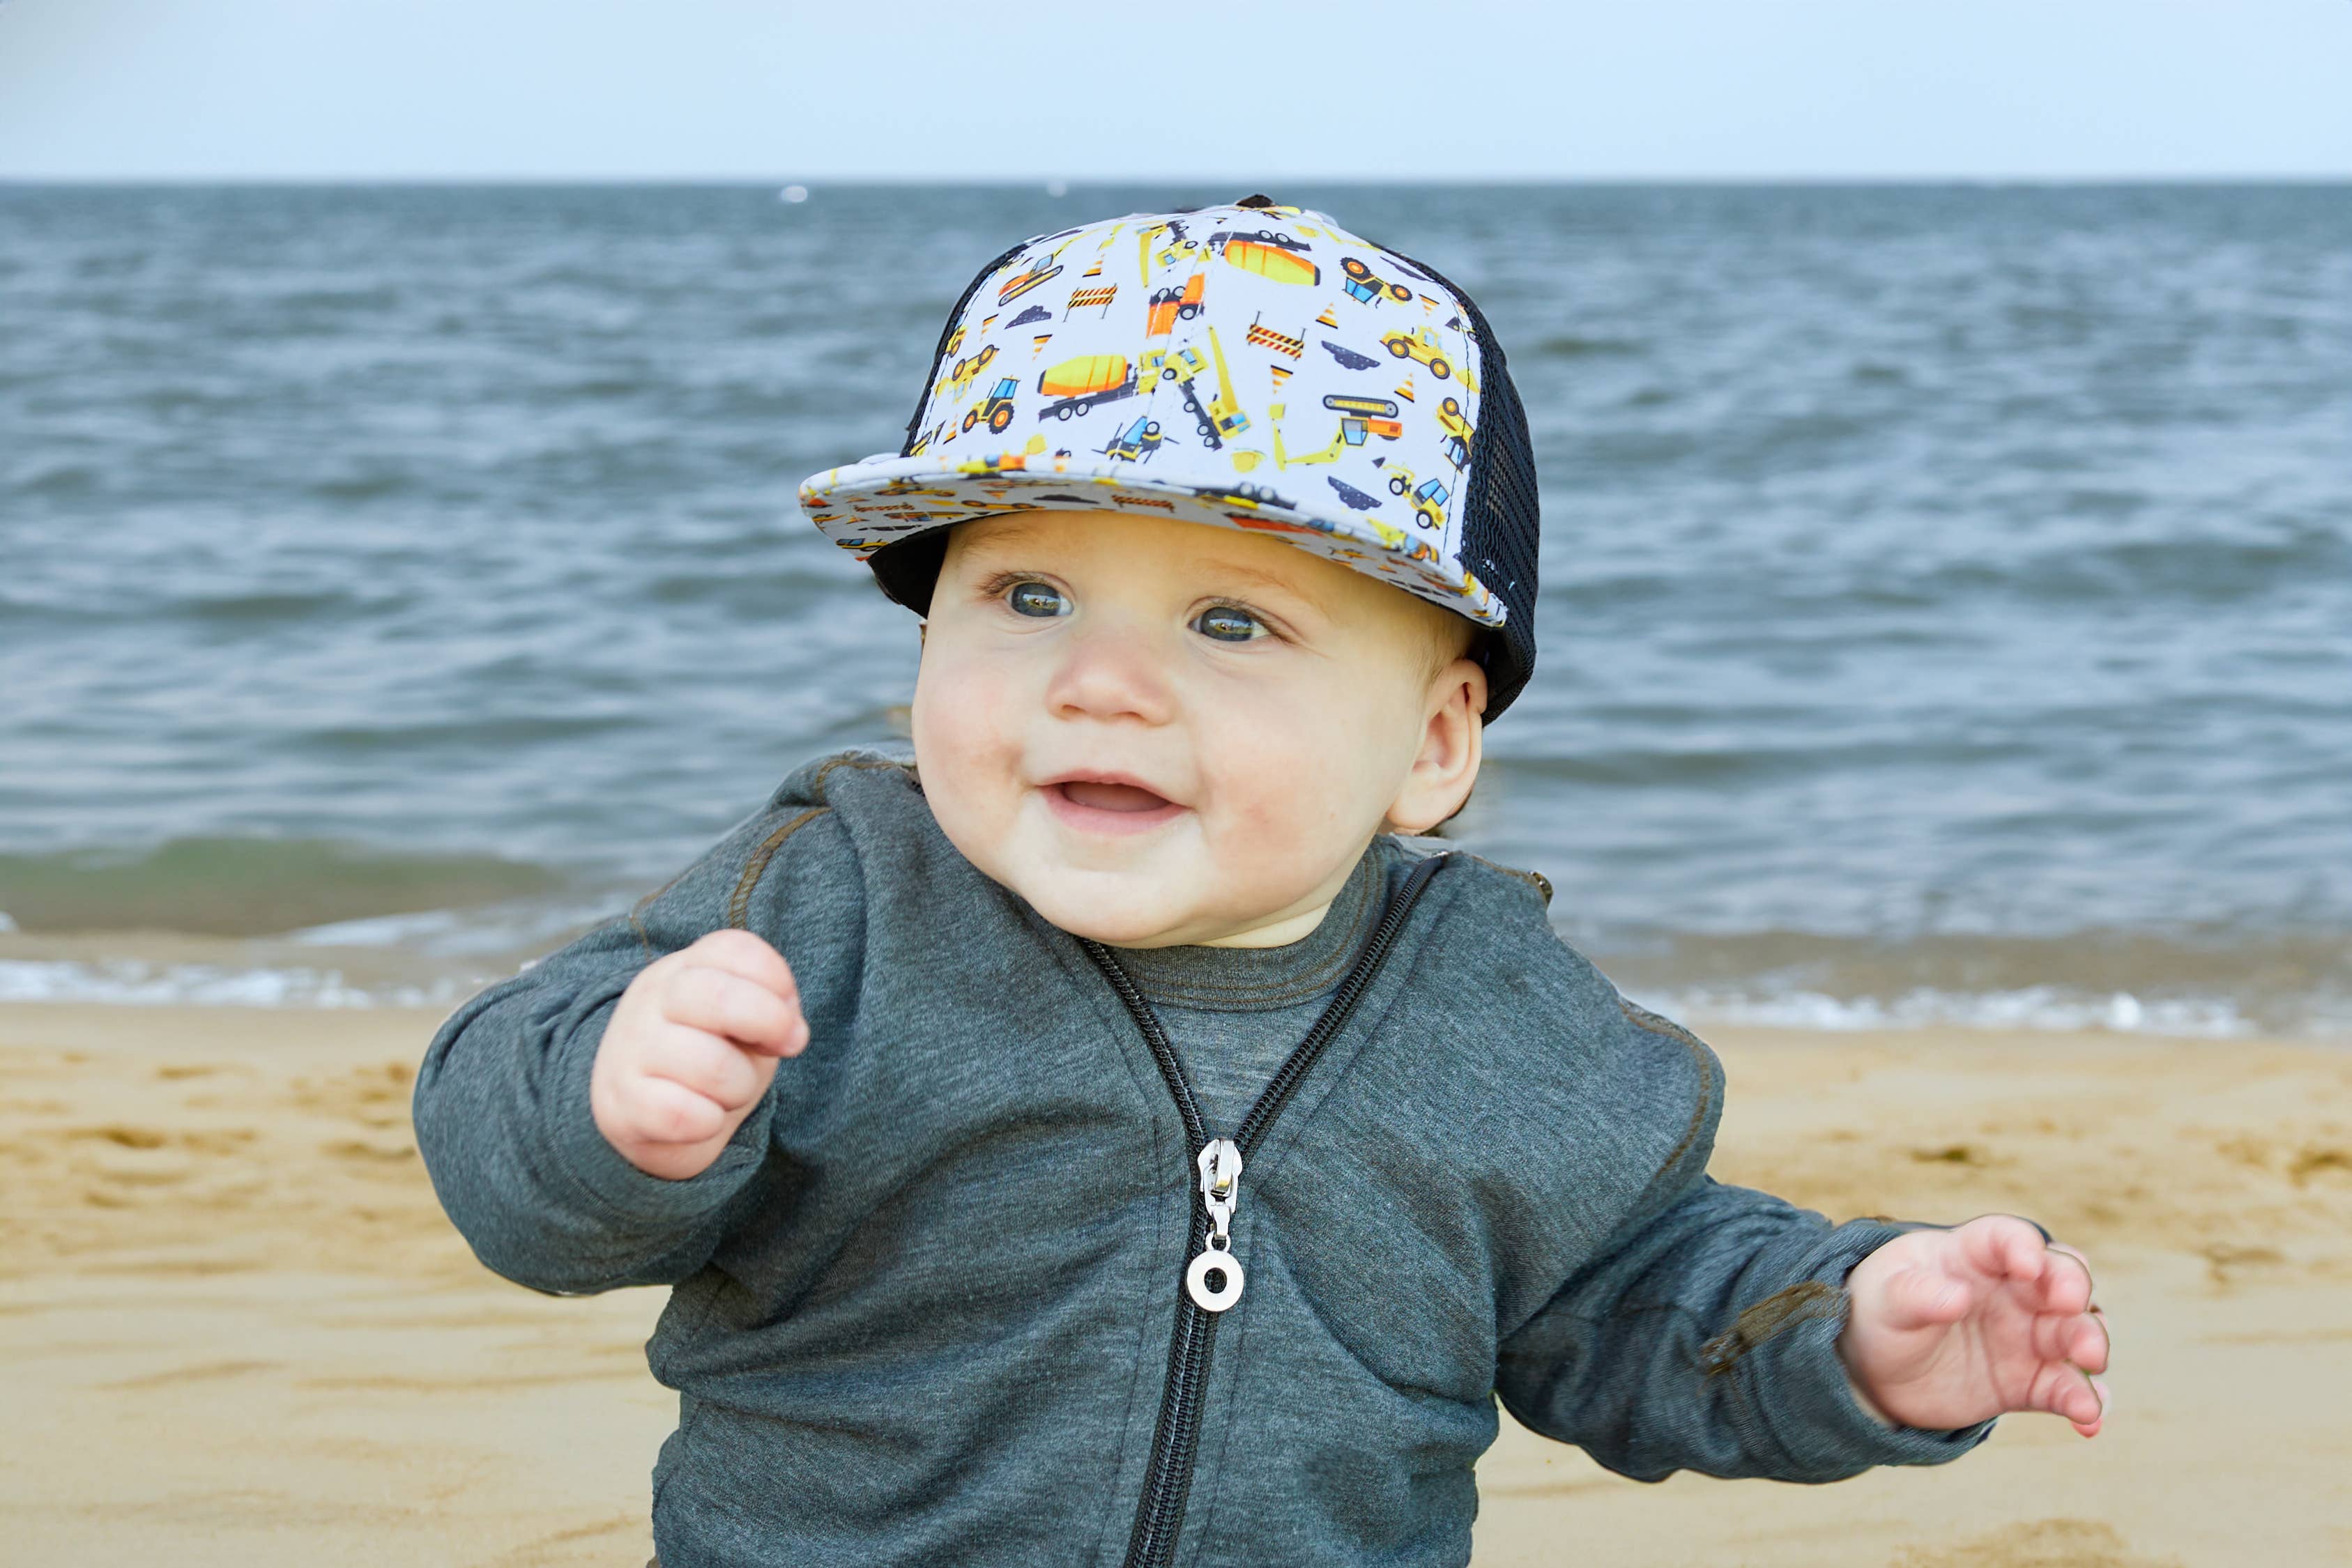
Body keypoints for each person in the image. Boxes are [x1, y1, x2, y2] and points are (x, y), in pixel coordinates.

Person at [412, 197, 2109, 1568]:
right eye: (1027, 598)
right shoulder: (836, 899)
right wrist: (611, 1101)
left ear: (1434, 746)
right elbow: (510, 1156)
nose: (1100, 685)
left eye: (1232, 624)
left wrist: (1849, 1334)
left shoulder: (1492, 1014)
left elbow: (1641, 1294)